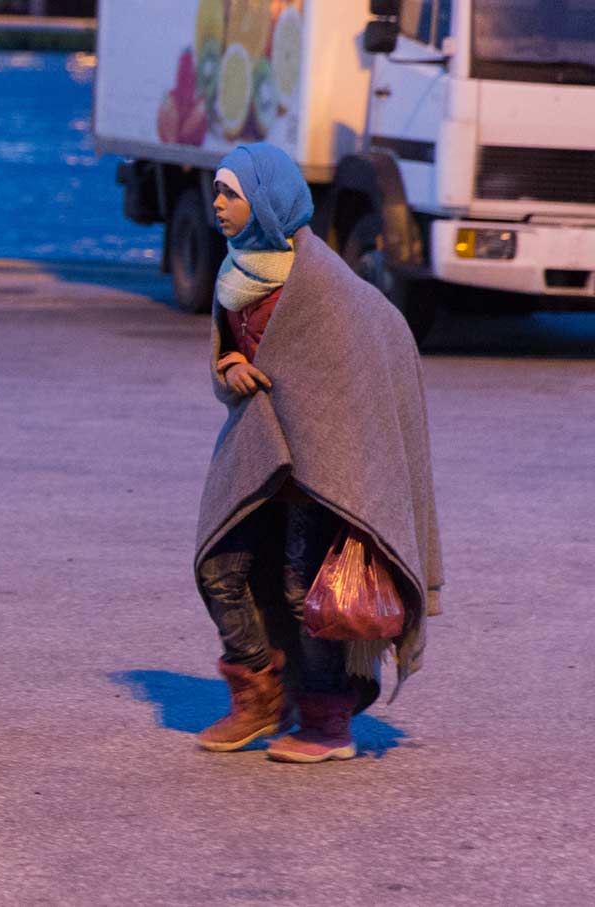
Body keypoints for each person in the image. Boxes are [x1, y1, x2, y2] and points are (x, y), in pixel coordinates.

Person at [192, 143, 442, 763]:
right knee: (219, 569)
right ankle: (259, 695)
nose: (217, 204)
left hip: (320, 470)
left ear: (268, 199)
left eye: (231, 193)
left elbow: (364, 360)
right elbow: (232, 368)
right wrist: (228, 368)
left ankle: (329, 721)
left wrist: (340, 448)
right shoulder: (236, 274)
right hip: (258, 459)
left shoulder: (326, 285)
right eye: (217, 192)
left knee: (307, 590)